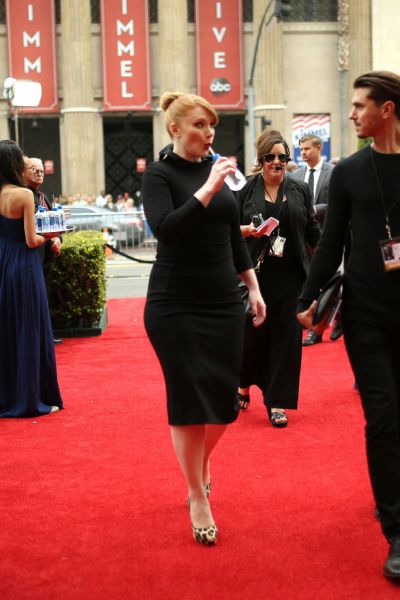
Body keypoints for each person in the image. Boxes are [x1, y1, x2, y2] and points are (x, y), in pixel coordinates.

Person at [142, 91, 265, 545]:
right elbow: (167, 230)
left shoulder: (221, 175)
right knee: (188, 399)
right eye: (199, 125)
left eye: (211, 126)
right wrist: (209, 187)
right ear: (175, 129)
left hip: (221, 303)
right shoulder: (159, 175)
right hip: (174, 305)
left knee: (224, 405)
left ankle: (199, 464)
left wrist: (252, 287)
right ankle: (197, 493)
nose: (208, 134)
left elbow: (233, 236)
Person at [296, 71, 400, 579]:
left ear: (388, 110)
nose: (353, 113)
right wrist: (308, 295)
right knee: (382, 418)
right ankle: (398, 533)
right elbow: (331, 241)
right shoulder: (350, 172)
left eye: (361, 106)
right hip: (367, 316)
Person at [236, 129, 321, 426]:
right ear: (260, 160)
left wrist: (325, 260)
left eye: (282, 157)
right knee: (251, 340)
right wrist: (249, 230)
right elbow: (229, 232)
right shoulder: (245, 190)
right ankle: (243, 383)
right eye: (270, 157)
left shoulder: (299, 190)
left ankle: (277, 402)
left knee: (286, 341)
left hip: (291, 277)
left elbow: (311, 230)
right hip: (255, 277)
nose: (277, 162)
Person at [0, 140, 63, 417]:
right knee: (30, 328)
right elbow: (30, 240)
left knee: (7, 330)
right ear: (13, 164)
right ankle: (30, 400)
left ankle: (7, 396)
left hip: (2, 261)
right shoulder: (23, 195)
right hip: (24, 266)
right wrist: (52, 233)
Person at [291, 135, 337, 345]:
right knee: (307, 280)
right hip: (303, 238)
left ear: (319, 148)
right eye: (301, 149)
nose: (303, 153)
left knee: (326, 282)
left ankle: (320, 327)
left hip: (327, 237)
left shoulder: (333, 172)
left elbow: (336, 205)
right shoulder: (297, 174)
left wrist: (315, 210)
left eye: (307, 149)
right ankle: (310, 326)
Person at [23, 156, 63, 344]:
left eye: (41, 171)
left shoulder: (42, 196)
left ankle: (46, 335)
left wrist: (57, 238)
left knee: (45, 298)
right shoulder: (24, 195)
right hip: (31, 256)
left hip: (45, 257)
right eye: (34, 170)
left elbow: (53, 225)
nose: (39, 173)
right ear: (24, 171)